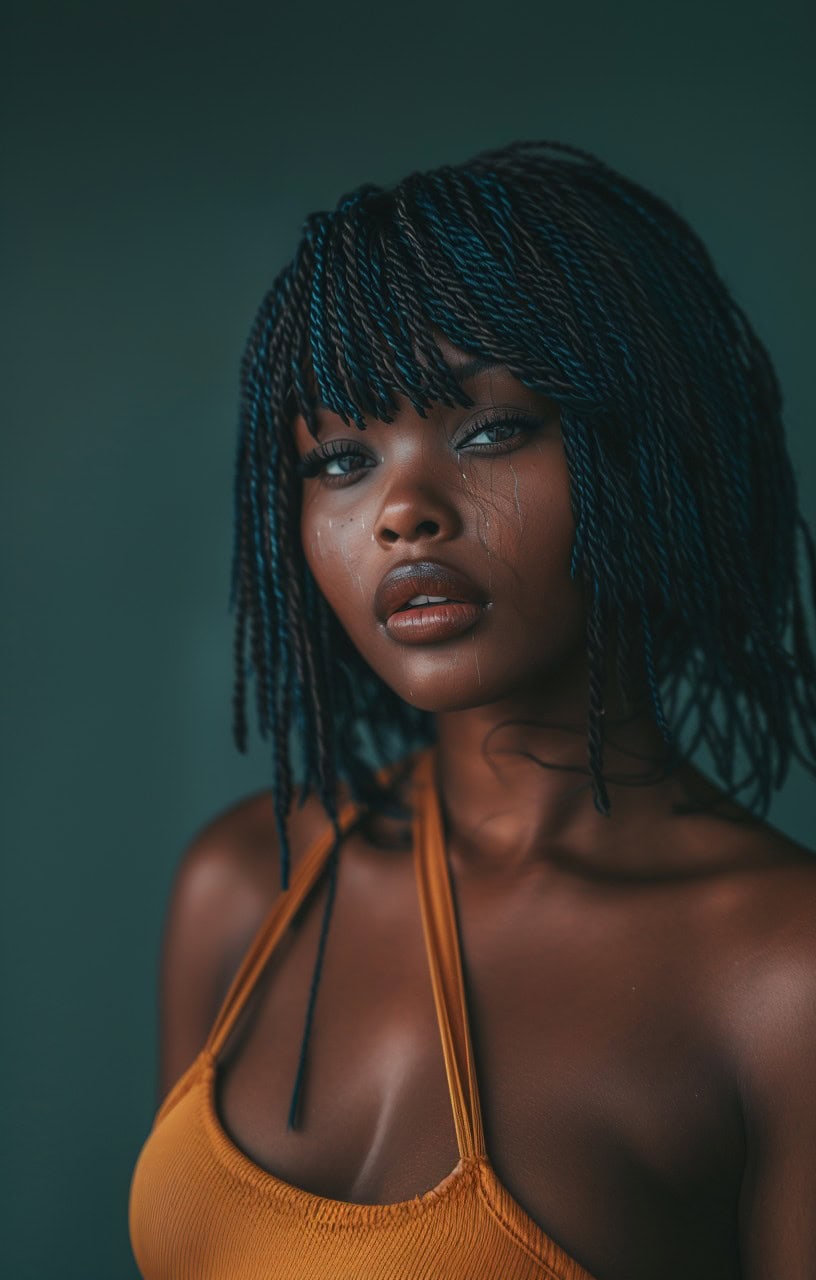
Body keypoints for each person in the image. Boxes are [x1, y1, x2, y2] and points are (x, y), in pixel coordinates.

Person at [129, 140, 816, 1280]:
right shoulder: (246, 882)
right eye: (343, 457)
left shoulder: (779, 970)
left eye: (492, 429)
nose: (403, 510)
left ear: (653, 451)